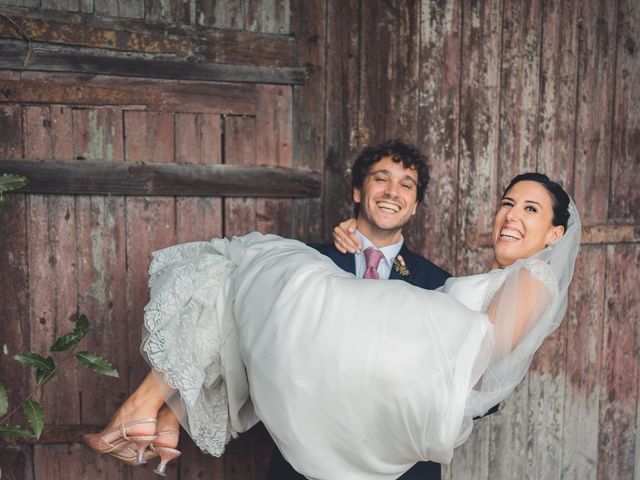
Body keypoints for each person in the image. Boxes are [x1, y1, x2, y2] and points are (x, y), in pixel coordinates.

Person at [84, 171, 580, 480]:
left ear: (556, 234)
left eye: (529, 209)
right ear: (358, 193)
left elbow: (484, 355)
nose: (510, 216)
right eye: (507, 203)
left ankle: (148, 412)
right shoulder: (499, 279)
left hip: (394, 415)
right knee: (245, 282)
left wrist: (373, 311)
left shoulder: (533, 277)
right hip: (354, 398)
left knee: (256, 265)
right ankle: (160, 417)